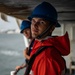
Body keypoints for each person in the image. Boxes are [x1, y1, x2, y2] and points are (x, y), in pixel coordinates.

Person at [26, 1, 70, 75]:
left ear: (51, 28)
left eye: (41, 22)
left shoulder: (47, 58)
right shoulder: (40, 45)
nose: (34, 25)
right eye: (33, 21)